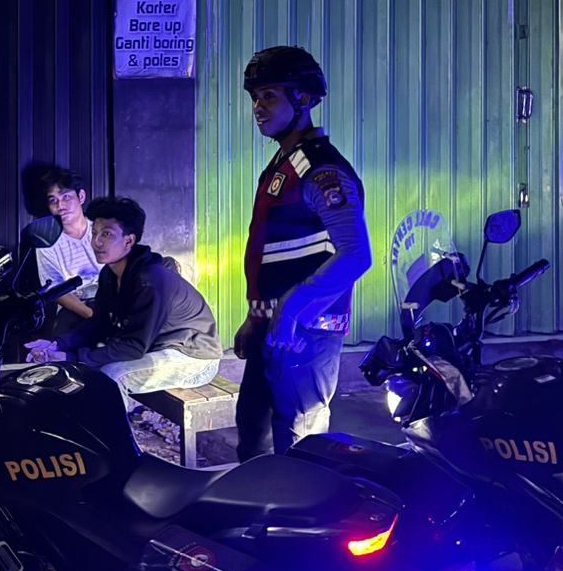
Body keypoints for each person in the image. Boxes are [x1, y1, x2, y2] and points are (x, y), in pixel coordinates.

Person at [232, 45, 372, 461]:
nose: (258, 107)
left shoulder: (321, 170)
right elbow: (272, 254)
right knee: (254, 440)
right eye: (254, 97)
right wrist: (255, 317)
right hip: (274, 327)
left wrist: (290, 311)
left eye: (269, 96)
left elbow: (355, 254)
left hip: (305, 332)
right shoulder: (285, 164)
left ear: (304, 99)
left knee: (300, 444)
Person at [26, 195, 221, 405]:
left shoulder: (150, 281)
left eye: (107, 234)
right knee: (93, 367)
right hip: (157, 348)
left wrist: (72, 357)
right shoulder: (109, 274)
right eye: (94, 233)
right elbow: (98, 324)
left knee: (112, 374)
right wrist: (57, 345)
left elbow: (133, 347)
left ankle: (115, 428)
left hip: (193, 357)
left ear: (129, 240)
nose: (97, 242)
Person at [35, 167, 101, 325]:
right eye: (53, 201)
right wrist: (92, 316)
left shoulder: (101, 230)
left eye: (66, 197)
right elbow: (55, 289)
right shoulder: (47, 242)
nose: (60, 206)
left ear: (81, 197)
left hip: (110, 297)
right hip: (76, 306)